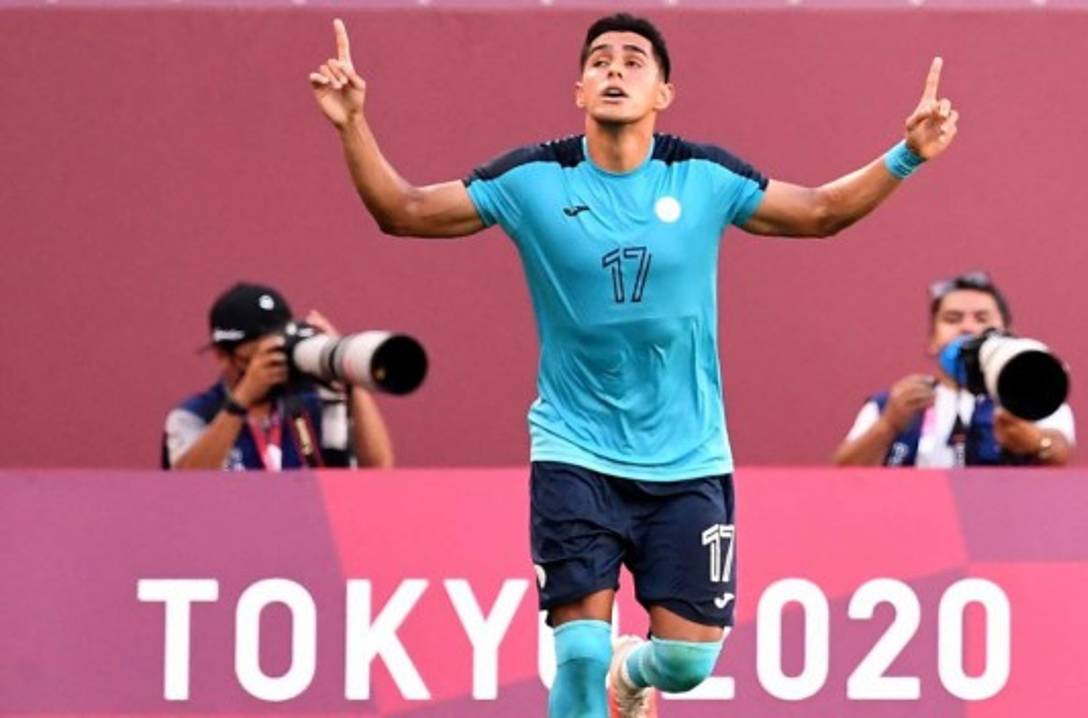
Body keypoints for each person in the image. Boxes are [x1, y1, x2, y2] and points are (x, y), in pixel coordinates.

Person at [309, 13, 958, 716]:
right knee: (579, 652)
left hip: (688, 459)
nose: (615, 70)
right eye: (601, 61)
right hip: (574, 449)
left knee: (685, 663)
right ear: (579, 89)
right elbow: (402, 210)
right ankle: (602, 670)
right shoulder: (531, 180)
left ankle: (632, 675)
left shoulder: (705, 176)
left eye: (634, 61)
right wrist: (352, 124)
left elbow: (823, 210)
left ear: (664, 93)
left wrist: (908, 155)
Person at [833, 271, 1075, 468]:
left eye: (982, 319)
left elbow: (1061, 454)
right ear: (932, 339)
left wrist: (1035, 442)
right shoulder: (894, 404)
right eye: (952, 319)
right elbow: (843, 473)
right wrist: (889, 425)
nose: (968, 328)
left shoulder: (1033, 394)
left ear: (1008, 333)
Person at [162, 282, 394, 471]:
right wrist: (242, 399)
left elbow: (377, 470)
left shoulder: (314, 404)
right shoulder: (195, 414)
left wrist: (346, 372)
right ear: (223, 355)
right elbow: (186, 484)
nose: (275, 365)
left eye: (279, 351)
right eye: (260, 356)